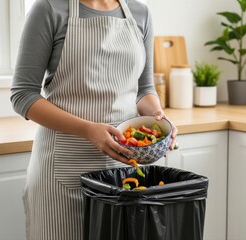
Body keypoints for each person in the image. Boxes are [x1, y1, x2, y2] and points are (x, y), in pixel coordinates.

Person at [10, 0, 178, 239]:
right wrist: (88, 129)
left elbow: (144, 89)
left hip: (125, 170)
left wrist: (158, 119)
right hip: (62, 171)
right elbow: (22, 94)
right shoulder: (49, 9)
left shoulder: (140, 13)